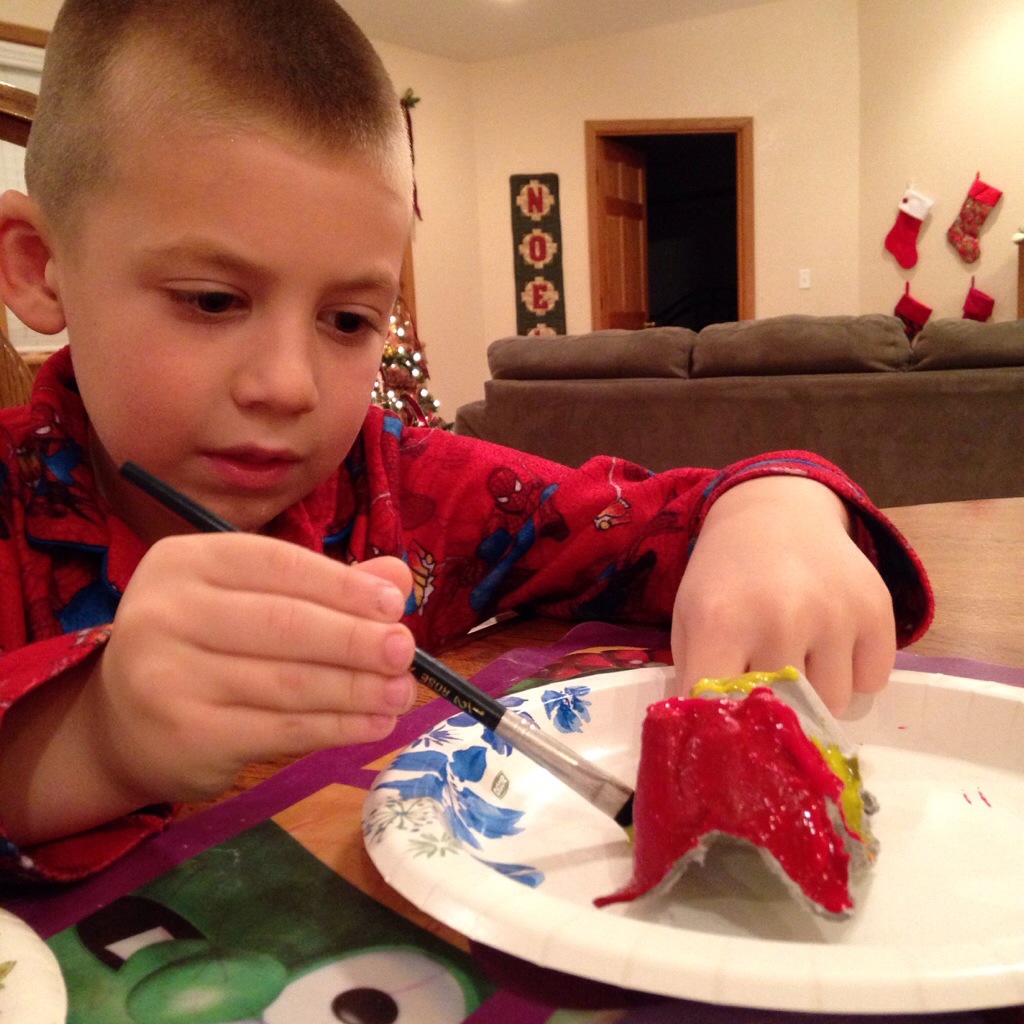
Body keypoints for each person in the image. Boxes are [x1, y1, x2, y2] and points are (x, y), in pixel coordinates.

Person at [0, 0, 930, 884]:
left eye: (349, 318)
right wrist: (93, 741)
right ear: (41, 268)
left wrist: (775, 512)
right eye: (211, 300)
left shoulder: (410, 487)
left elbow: (654, 524)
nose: (287, 384)